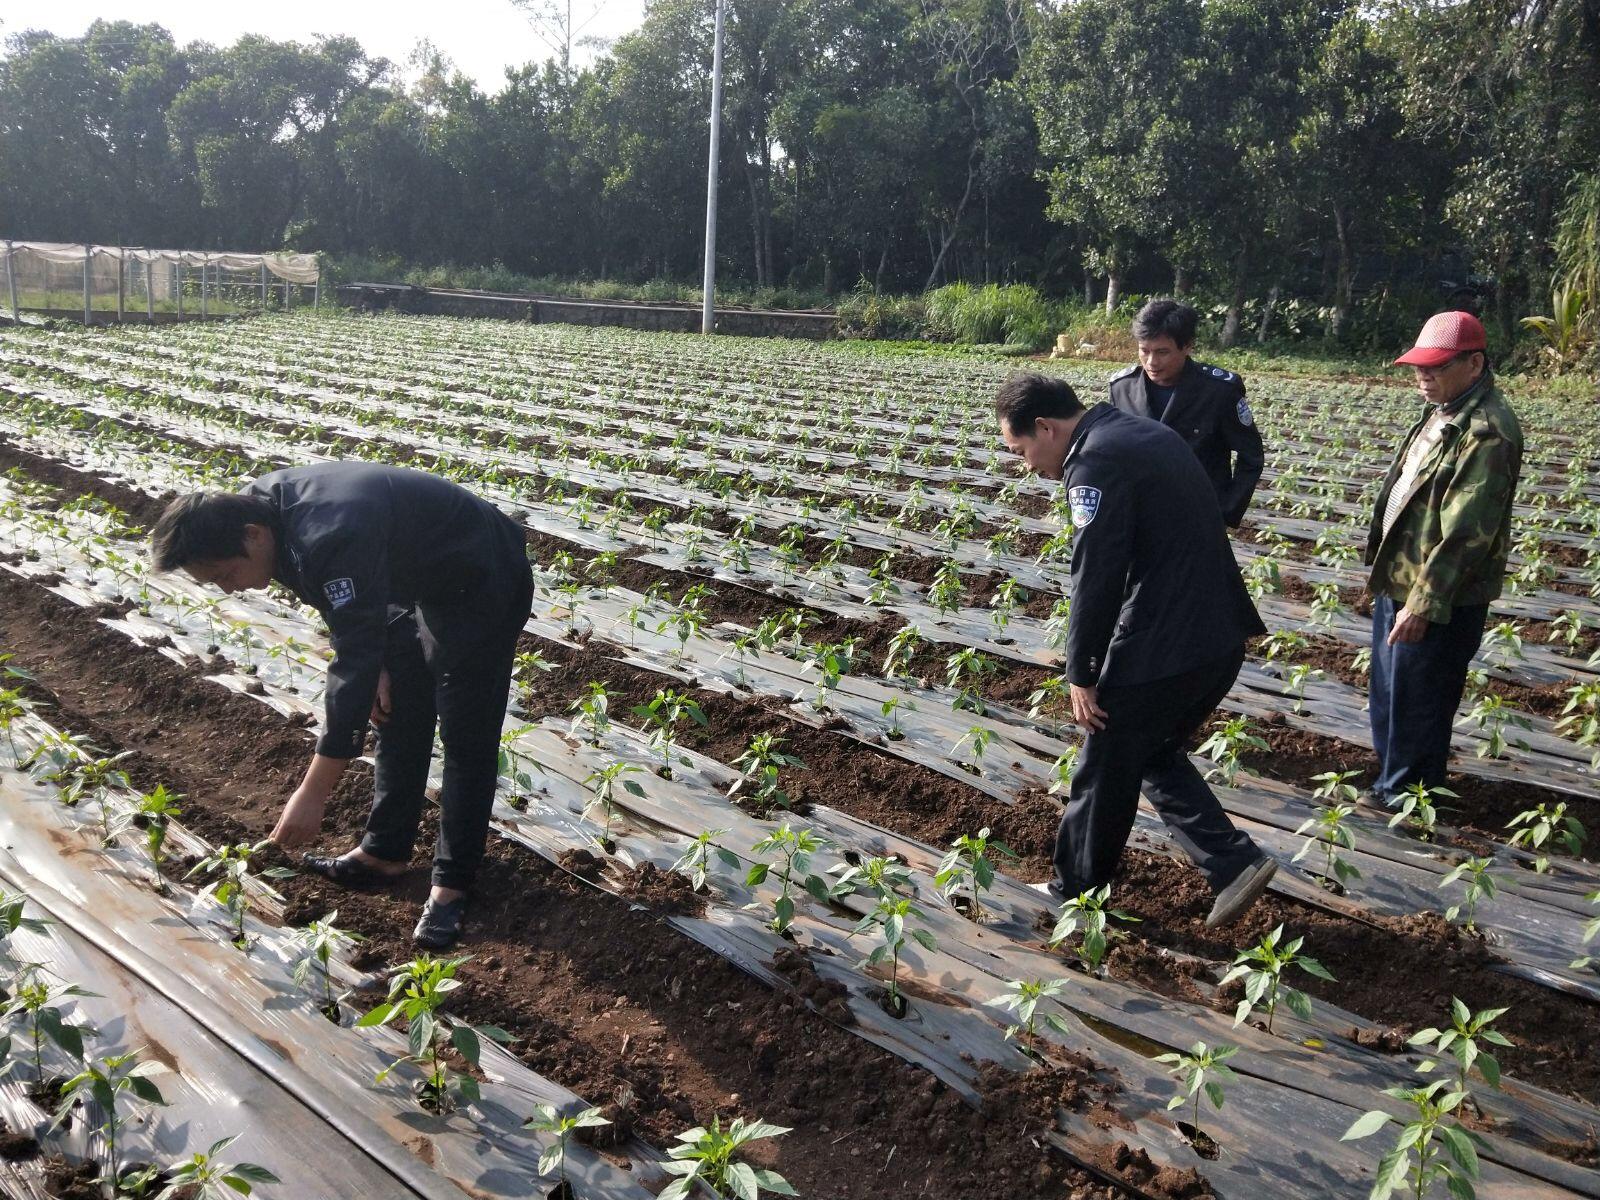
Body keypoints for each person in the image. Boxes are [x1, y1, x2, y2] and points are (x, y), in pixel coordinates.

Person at [149, 462, 535, 949]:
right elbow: (341, 603)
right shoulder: (257, 510)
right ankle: (384, 853)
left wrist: (312, 796)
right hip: (401, 576)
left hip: (479, 576)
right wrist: (375, 661)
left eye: (227, 574)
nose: (229, 588)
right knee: (394, 710)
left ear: (253, 536)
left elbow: (348, 651)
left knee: (465, 732)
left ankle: (451, 886)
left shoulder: (326, 530)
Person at [995, 372, 1277, 927]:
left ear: (1046, 428)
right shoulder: (1137, 432)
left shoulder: (1094, 463)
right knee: (1149, 751)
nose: (1025, 464)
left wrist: (1081, 671)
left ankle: (1074, 893)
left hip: (1167, 643)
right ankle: (1231, 861)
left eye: (1020, 448)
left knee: (1104, 759)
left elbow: (1096, 576)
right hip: (1217, 637)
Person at [1365, 312, 1522, 802]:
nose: (1422, 378)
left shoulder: (1487, 431)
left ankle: (1409, 802)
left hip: (1439, 595)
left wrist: (1423, 603)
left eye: (1434, 368)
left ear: (1474, 364)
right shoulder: (1444, 411)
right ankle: (1390, 785)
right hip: (1402, 579)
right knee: (1391, 696)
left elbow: (1466, 533)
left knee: (1420, 702)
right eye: (1418, 368)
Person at [1109, 298, 1264, 527]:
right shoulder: (1122, 388)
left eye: (1162, 352)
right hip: (1138, 517)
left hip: (1197, 519)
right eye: (1144, 351)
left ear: (1188, 346)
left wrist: (1225, 511)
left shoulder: (1219, 391)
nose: (1152, 361)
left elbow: (1251, 456)